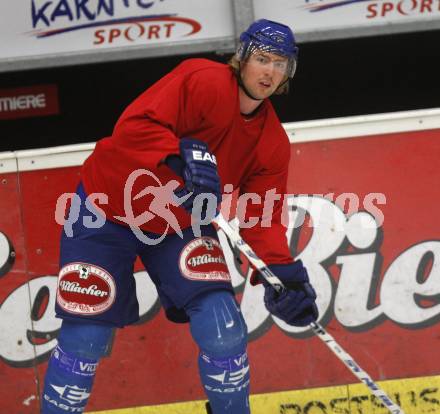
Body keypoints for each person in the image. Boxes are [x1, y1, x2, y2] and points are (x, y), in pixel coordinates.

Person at [41, 19, 319, 414]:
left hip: (180, 223)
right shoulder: (200, 79)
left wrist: (282, 275)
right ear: (241, 59)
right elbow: (132, 127)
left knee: (223, 328)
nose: (270, 71)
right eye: (262, 59)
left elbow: (261, 215)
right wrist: (175, 153)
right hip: (104, 209)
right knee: (85, 334)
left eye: (281, 64)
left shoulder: (272, 142)